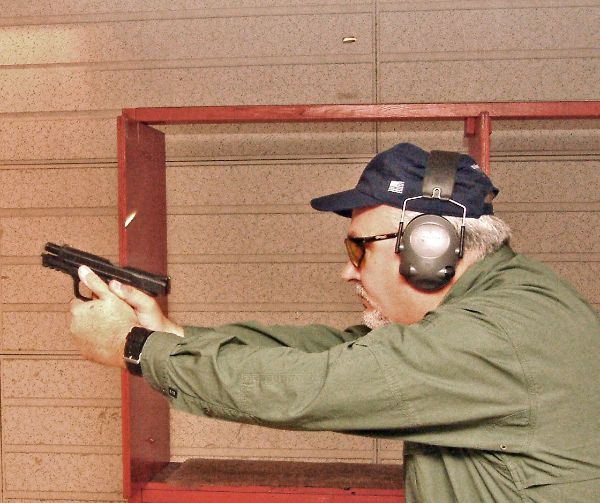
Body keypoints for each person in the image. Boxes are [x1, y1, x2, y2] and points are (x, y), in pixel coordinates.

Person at [70, 143, 600, 502]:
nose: (348, 271)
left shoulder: (493, 336)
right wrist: (172, 336)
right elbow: (330, 352)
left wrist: (136, 347)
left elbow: (311, 385)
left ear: (430, 247)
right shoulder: (506, 304)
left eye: (358, 248)